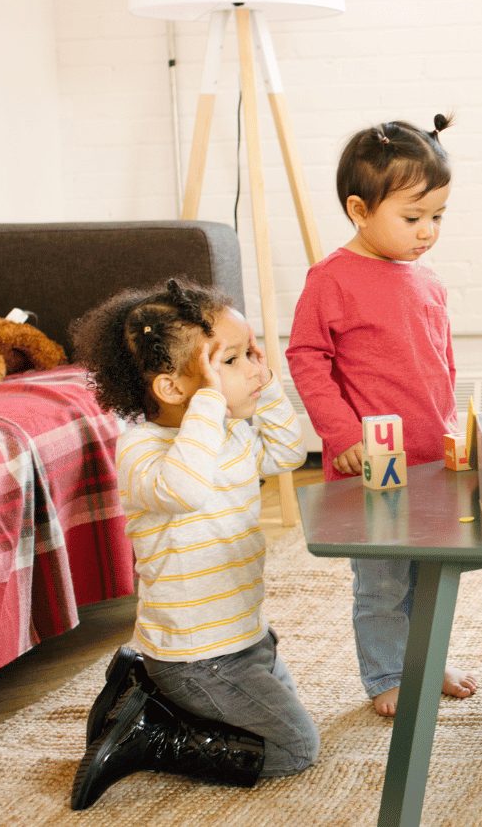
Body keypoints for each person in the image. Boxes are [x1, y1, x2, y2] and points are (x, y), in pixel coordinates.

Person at [67, 279, 315, 809]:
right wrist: (209, 402)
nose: (253, 366)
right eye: (231, 360)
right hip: (197, 657)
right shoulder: (141, 451)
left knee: (282, 722)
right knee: (295, 749)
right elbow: (187, 487)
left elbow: (290, 452)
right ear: (174, 389)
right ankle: (153, 736)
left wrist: (264, 387)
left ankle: (145, 695)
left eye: (252, 353)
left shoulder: (231, 435)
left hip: (246, 638)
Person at [287, 118, 479, 716]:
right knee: (383, 582)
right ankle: (386, 674)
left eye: (438, 217)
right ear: (359, 209)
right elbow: (305, 357)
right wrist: (340, 433)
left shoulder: (427, 278)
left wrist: (455, 435)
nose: (428, 232)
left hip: (433, 455)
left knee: (433, 573)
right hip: (375, 465)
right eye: (413, 217)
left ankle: (425, 659)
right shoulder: (332, 279)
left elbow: (439, 363)